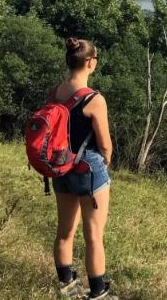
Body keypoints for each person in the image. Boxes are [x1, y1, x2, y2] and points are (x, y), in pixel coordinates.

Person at [52, 38, 113, 299]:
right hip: (88, 170)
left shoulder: (56, 92)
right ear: (90, 63)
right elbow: (105, 144)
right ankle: (97, 291)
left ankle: (67, 285)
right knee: (94, 235)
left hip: (61, 167)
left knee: (65, 231)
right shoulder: (94, 99)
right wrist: (106, 160)